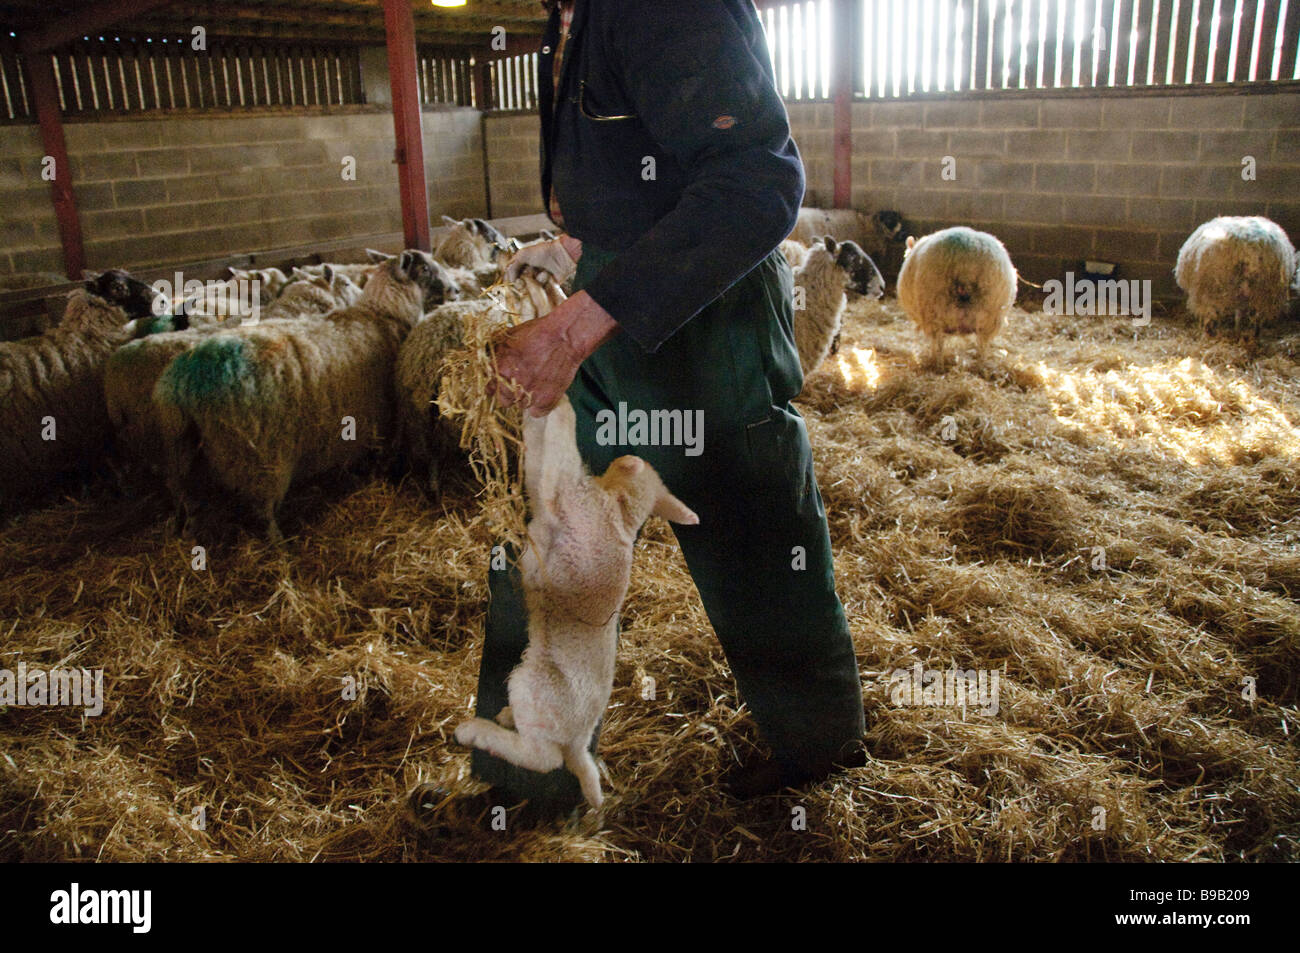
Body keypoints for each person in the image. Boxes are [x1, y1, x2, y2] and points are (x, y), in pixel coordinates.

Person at [467, 0, 866, 814]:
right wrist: (581, 250)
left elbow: (758, 182)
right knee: (551, 543)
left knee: (754, 547)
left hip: (701, 324)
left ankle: (817, 751)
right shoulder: (569, 16)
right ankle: (526, 774)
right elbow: (638, 167)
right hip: (607, 314)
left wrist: (575, 325)